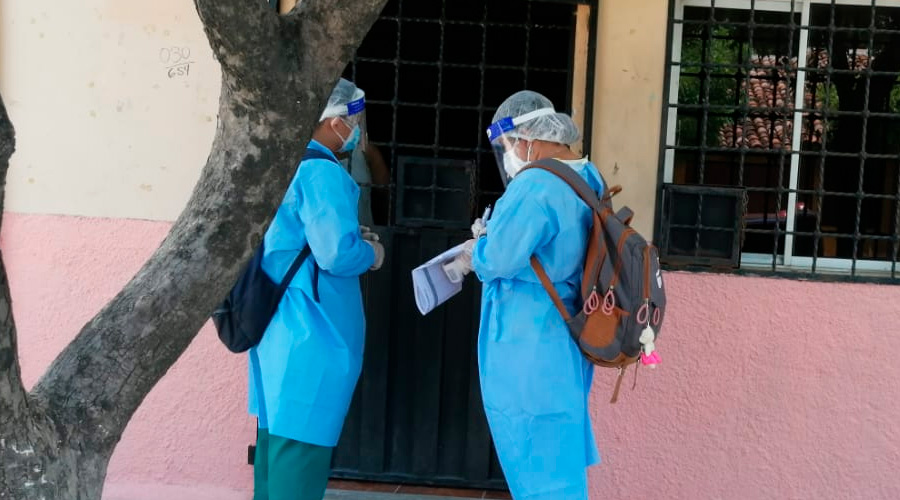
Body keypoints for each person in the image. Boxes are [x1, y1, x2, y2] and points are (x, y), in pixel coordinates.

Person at [452, 90, 605, 500]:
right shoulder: (587, 176)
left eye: (507, 145)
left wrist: (478, 246)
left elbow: (498, 258)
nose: (508, 155)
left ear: (529, 139)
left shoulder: (535, 184)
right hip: (565, 333)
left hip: (530, 341)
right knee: (559, 451)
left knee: (537, 460)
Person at [248, 78, 385, 500]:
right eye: (351, 119)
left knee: (275, 446)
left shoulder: (281, 164)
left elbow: (299, 240)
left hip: (277, 329)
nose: (355, 128)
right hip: (311, 330)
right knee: (301, 452)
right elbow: (336, 256)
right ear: (329, 122)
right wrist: (371, 252)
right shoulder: (321, 171)